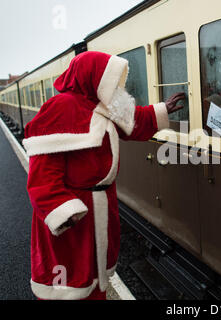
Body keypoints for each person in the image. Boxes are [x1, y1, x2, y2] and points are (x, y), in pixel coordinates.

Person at [22, 51, 185, 300]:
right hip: (75, 213)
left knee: (96, 275)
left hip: (99, 205)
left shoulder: (99, 104)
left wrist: (162, 109)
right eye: (109, 77)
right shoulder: (60, 107)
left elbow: (133, 121)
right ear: (92, 76)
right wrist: (64, 211)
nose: (114, 85)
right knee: (71, 282)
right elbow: (42, 177)